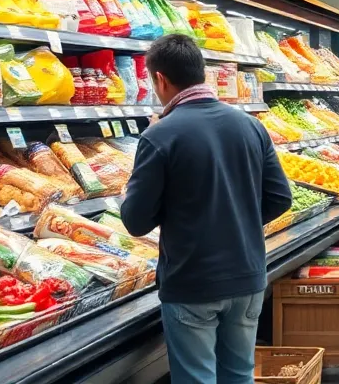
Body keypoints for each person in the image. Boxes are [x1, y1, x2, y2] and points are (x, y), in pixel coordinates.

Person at [121, 34, 292, 384]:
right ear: (202, 73)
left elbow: (136, 221)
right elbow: (280, 197)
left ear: (160, 79)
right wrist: (237, 222)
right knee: (239, 376)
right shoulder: (251, 125)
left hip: (192, 281)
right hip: (247, 275)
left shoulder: (159, 136)